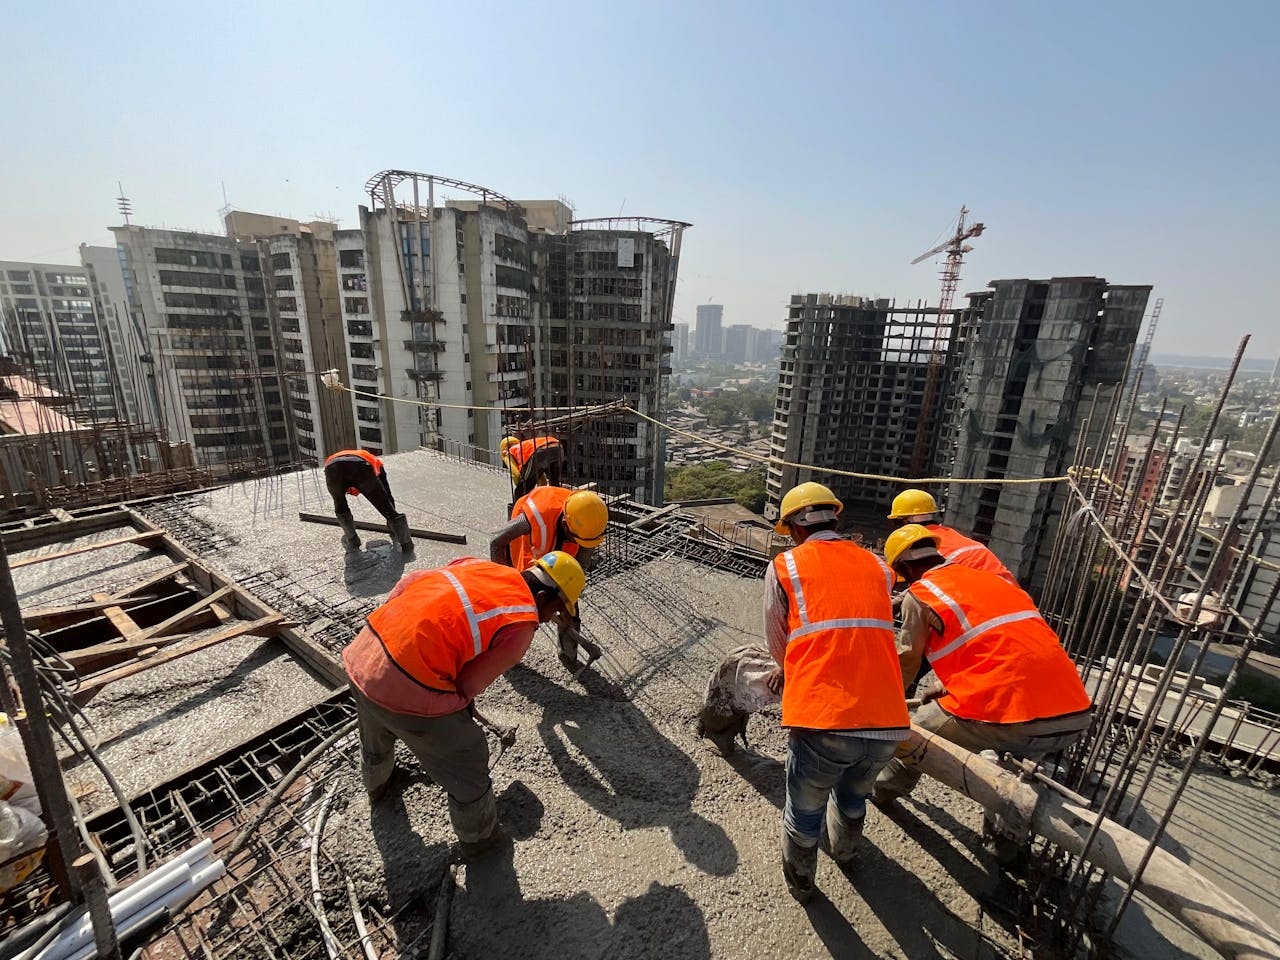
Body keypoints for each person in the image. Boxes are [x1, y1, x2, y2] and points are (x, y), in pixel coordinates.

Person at [342, 551, 586, 856]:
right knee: (468, 752)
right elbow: (466, 686)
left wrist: (401, 637)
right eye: (556, 610)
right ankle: (481, 841)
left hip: (363, 651)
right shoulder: (521, 625)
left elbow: (409, 582)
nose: (552, 619)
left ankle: (377, 787)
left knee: (375, 731)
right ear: (541, 596)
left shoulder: (480, 566)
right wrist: (458, 705)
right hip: (402, 682)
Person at [874, 524, 1093, 807]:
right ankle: (1004, 836)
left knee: (914, 734)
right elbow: (1003, 646)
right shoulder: (996, 582)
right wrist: (947, 686)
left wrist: (887, 707)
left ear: (903, 568)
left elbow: (907, 660)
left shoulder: (923, 594)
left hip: (1017, 719)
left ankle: (882, 791)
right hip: (1074, 715)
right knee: (1010, 772)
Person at [765, 482, 910, 902]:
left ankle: (803, 883)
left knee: (805, 810)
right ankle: (846, 853)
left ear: (792, 528)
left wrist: (790, 669)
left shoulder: (787, 566)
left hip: (823, 719)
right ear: (835, 519)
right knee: (853, 796)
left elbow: (778, 642)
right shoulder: (881, 567)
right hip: (887, 721)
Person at [489, 487, 608, 670]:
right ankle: (504, 655)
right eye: (575, 540)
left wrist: (566, 597)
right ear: (565, 525)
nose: (579, 545)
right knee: (517, 602)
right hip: (526, 544)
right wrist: (502, 582)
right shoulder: (535, 518)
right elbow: (496, 541)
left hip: (558, 558)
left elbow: (580, 565)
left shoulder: (587, 526)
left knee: (570, 608)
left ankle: (568, 656)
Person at [887, 488, 1017, 586]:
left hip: (986, 596)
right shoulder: (948, 535)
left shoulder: (923, 548)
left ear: (905, 521)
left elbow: (926, 591)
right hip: (1014, 595)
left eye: (897, 523)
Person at [323, 449, 411, 549]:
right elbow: (387, 495)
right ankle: (406, 544)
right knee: (386, 506)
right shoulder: (376, 463)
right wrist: (391, 520)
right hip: (360, 466)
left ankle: (352, 540)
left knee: (340, 505)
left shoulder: (334, 459)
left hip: (332, 469)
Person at [500, 435, 564, 499]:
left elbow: (515, 473)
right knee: (554, 483)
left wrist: (520, 485)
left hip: (538, 452)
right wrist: (542, 486)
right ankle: (559, 501)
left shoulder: (508, 452)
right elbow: (539, 472)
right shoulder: (525, 445)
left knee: (522, 490)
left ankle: (518, 507)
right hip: (557, 446)